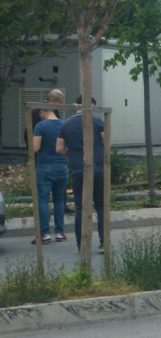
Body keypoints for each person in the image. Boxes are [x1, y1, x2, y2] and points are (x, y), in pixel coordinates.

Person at [56, 95, 105, 254]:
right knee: (101, 206)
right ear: (91, 105)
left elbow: (59, 149)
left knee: (80, 208)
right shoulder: (98, 122)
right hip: (98, 169)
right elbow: (107, 142)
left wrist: (71, 153)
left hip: (78, 170)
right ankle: (104, 242)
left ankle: (81, 245)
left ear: (76, 105)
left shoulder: (66, 125)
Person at [31, 107, 69, 244]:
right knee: (59, 200)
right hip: (62, 165)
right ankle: (59, 232)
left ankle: (45, 234)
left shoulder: (40, 126)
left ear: (42, 111)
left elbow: (35, 148)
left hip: (45, 165)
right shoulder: (64, 124)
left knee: (43, 199)